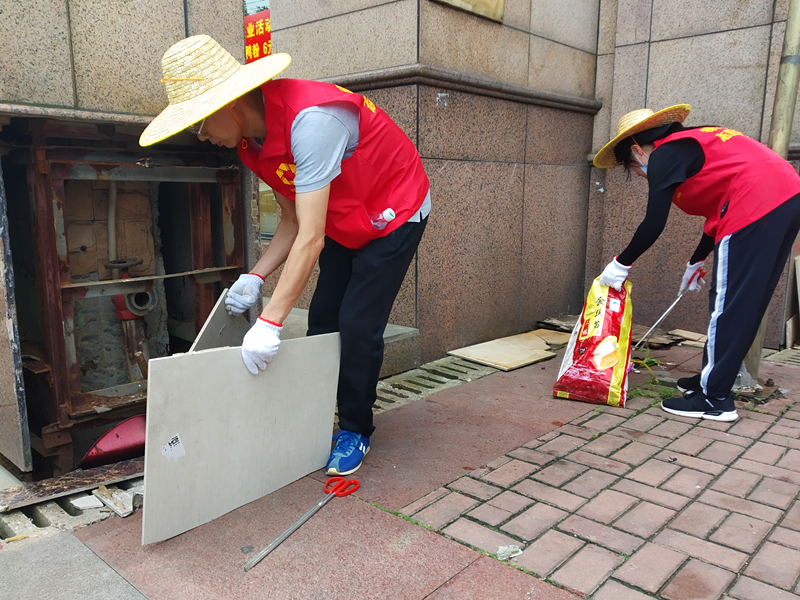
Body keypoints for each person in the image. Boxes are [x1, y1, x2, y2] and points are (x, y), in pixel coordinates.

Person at [140, 35, 430, 475]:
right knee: (323, 322)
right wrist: (255, 276)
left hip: (394, 214)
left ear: (229, 105)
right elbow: (293, 221)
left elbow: (310, 239)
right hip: (342, 218)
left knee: (357, 325)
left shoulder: (311, 122)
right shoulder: (251, 144)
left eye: (200, 124)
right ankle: (317, 417)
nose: (202, 136)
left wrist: (270, 322)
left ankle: (355, 429)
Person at [593, 104, 800, 422]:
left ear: (637, 149)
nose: (640, 174)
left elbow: (653, 223)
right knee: (744, 301)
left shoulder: (664, 154)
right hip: (786, 195)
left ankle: (715, 398)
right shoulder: (693, 141)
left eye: (633, 169)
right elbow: (717, 208)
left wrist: (621, 264)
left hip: (755, 202)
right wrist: (696, 260)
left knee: (728, 303)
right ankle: (712, 379)